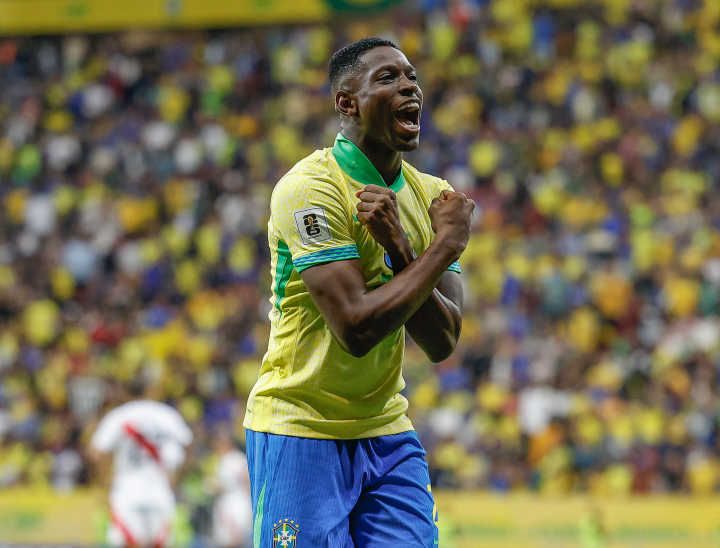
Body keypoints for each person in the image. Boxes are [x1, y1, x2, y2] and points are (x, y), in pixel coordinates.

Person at [243, 37, 475, 547]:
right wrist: (443, 246)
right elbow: (354, 328)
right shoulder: (311, 188)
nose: (409, 86)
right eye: (388, 78)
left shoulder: (432, 197)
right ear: (347, 103)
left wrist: (402, 248)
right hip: (301, 427)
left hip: (385, 429)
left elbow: (442, 341)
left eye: (412, 76)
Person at [88, 387, 193, 548]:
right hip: (160, 490)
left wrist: (105, 480)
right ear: (152, 392)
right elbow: (188, 444)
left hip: (127, 490)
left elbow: (95, 453)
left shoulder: (120, 415)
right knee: (159, 543)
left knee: (129, 542)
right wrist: (176, 478)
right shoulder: (167, 415)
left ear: (126, 393)